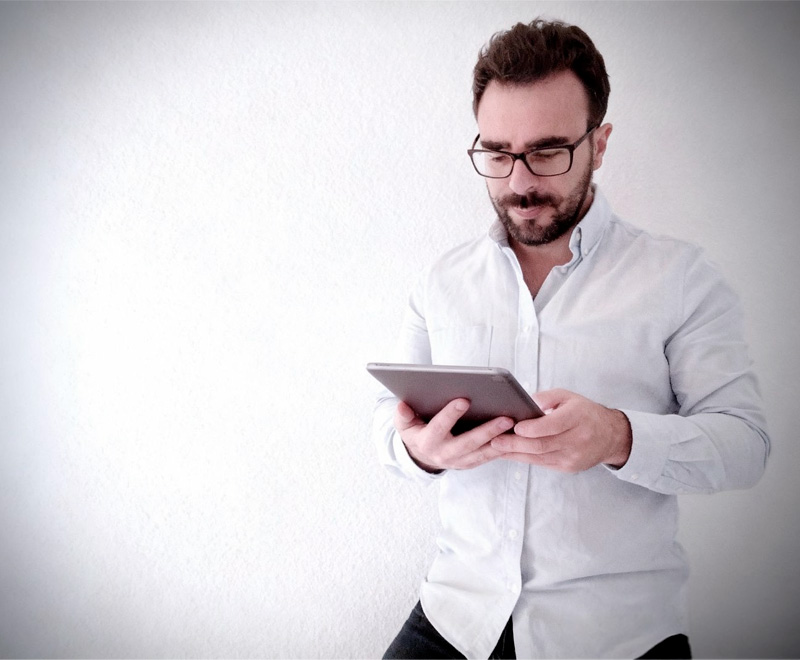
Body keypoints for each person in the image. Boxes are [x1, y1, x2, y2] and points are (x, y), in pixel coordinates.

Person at [372, 18, 770, 660]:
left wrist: (618, 437)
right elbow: (386, 423)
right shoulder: (442, 279)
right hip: (455, 618)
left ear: (599, 144)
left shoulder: (681, 278)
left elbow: (745, 445)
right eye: (497, 153)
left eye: (548, 151)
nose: (519, 182)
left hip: (615, 636)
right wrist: (418, 450)